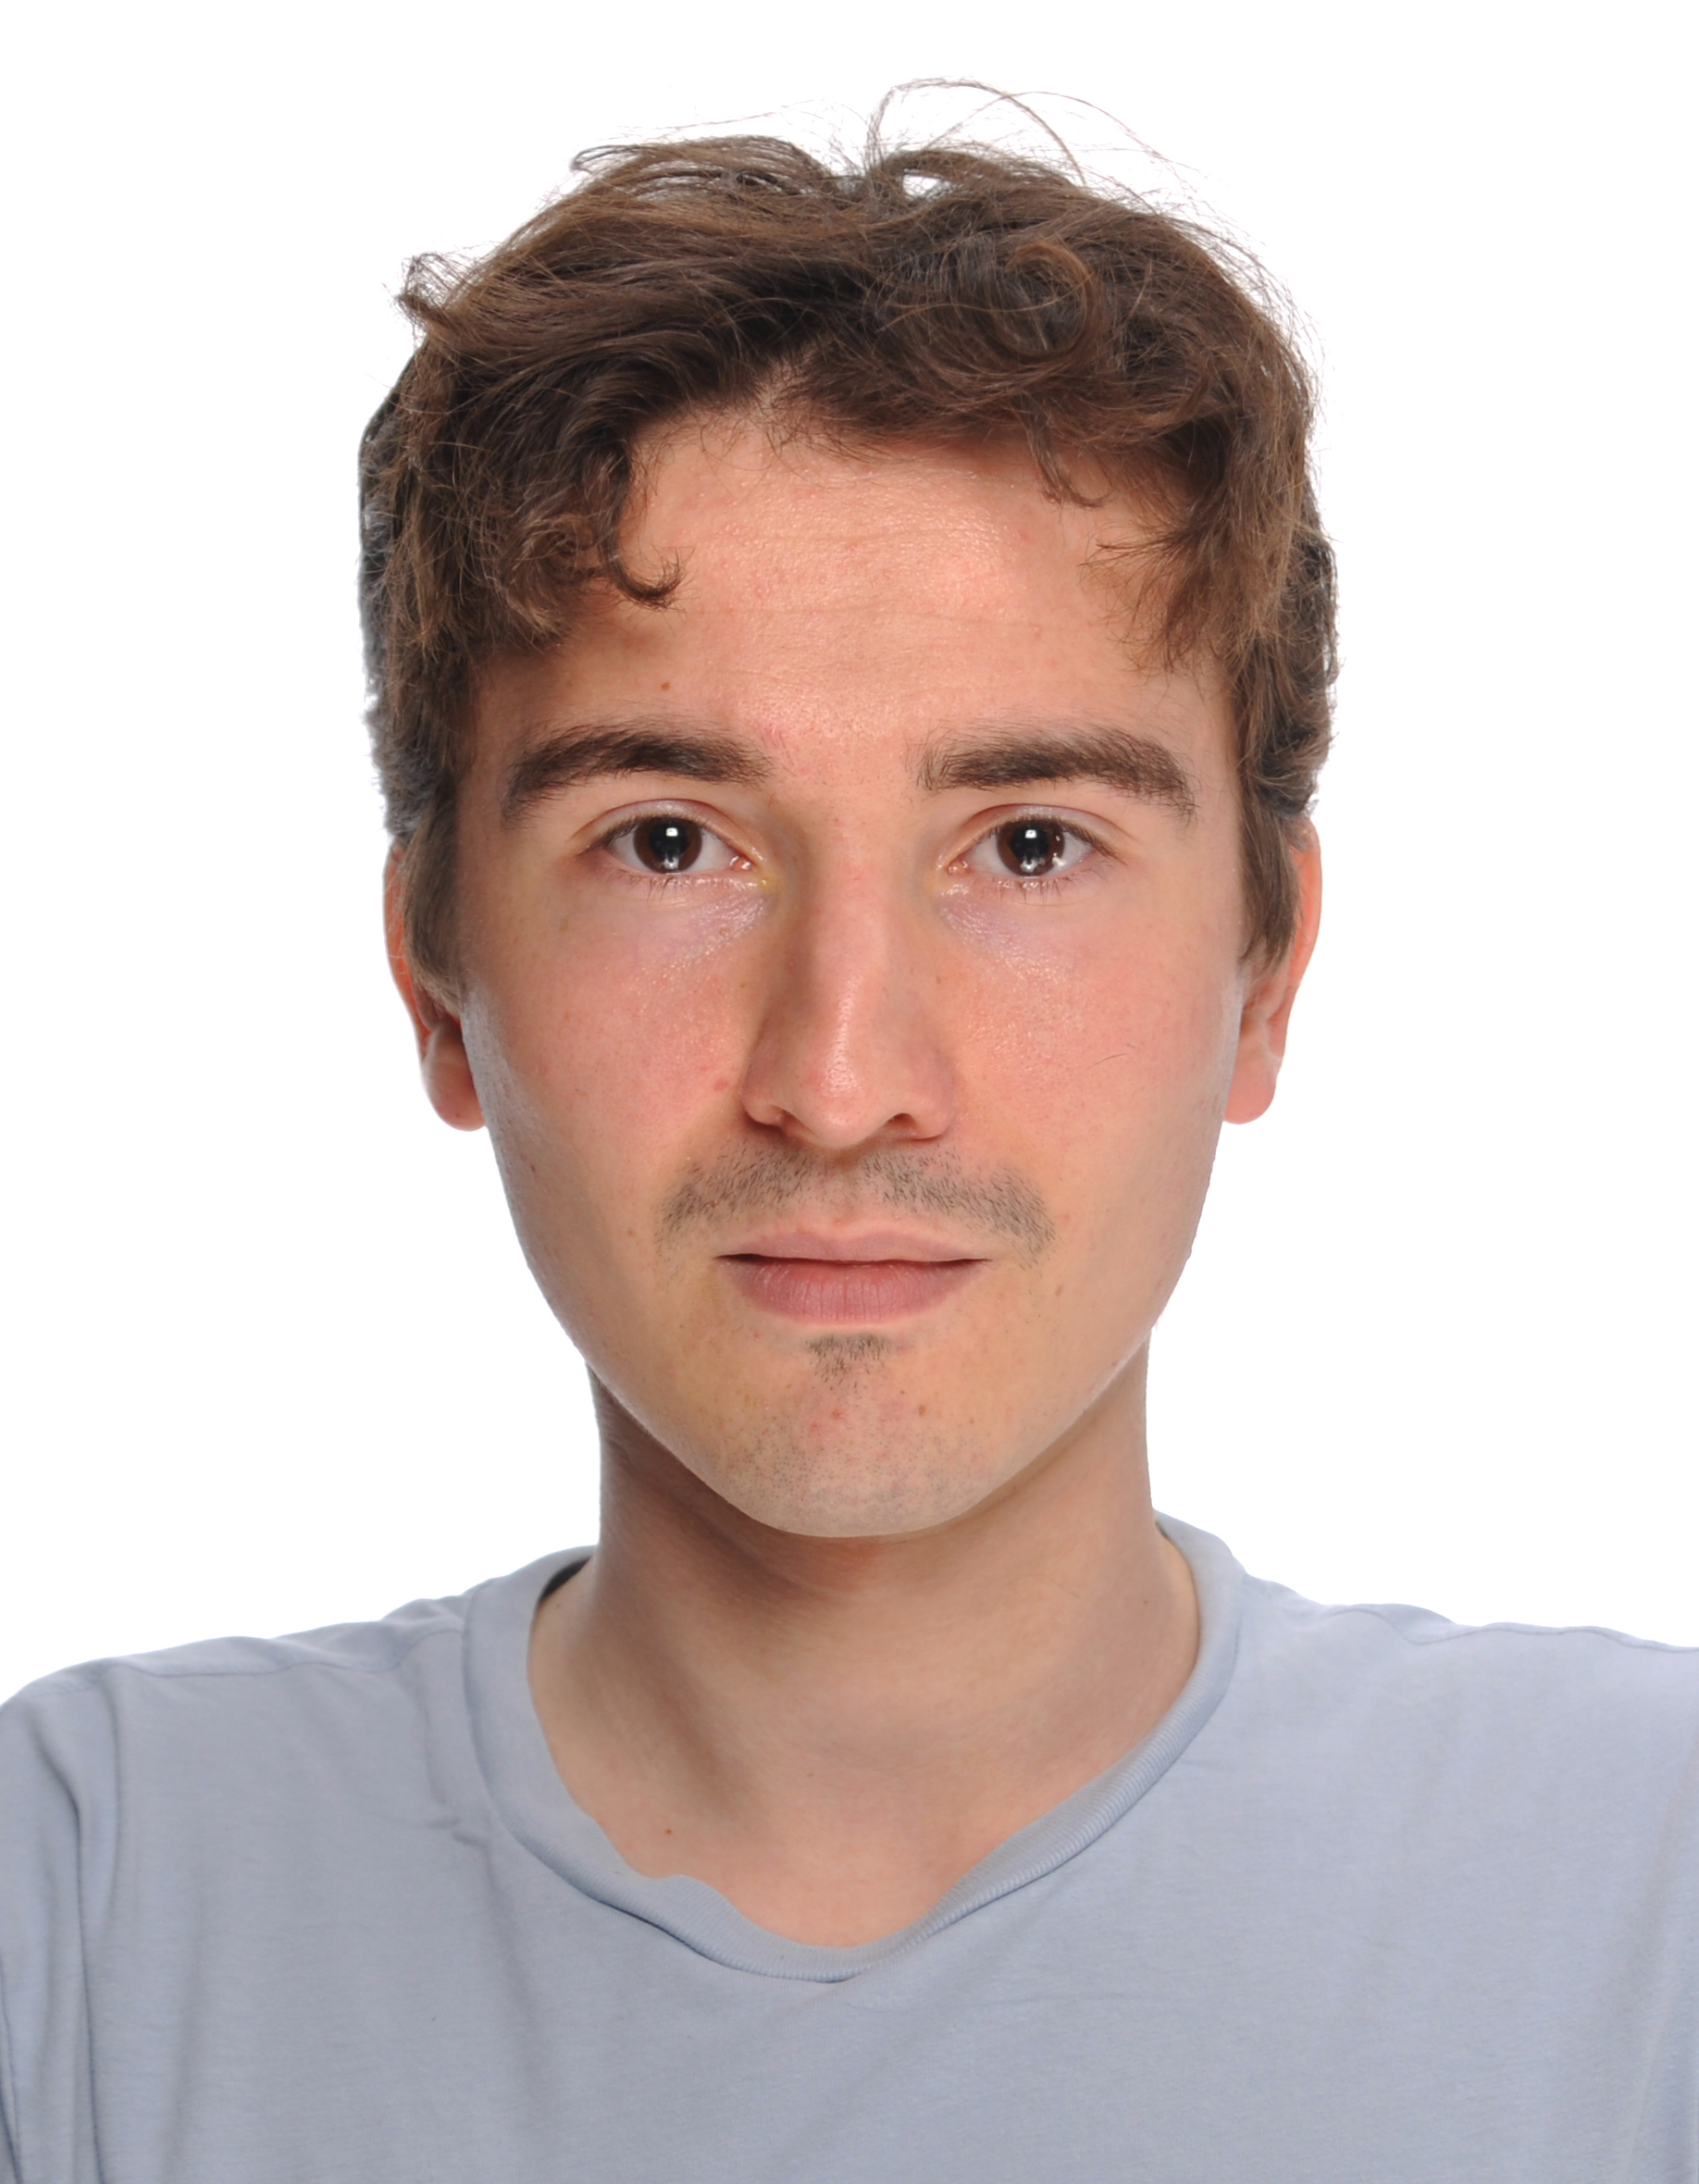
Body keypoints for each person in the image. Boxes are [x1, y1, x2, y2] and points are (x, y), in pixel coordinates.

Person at [2, 119, 1695, 2184]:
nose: (839, 1075)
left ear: (1265, 974)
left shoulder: (1647, 1905)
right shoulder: (80, 1911)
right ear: (438, 979)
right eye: (669, 843)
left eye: (1031, 846)